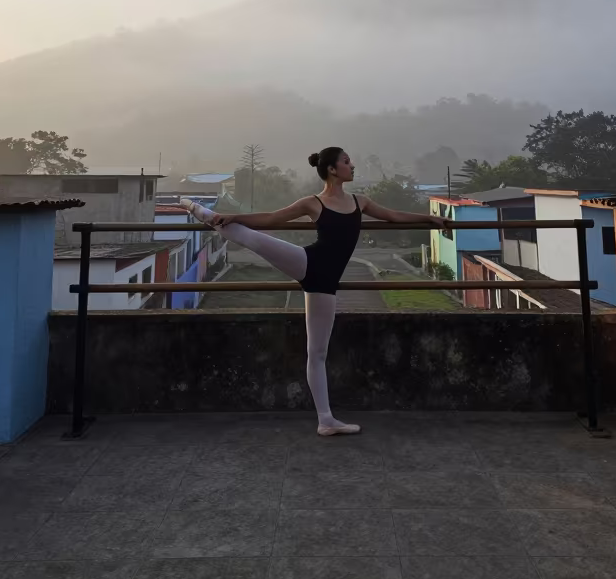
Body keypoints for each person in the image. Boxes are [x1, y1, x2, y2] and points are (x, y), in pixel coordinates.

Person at [185, 147, 451, 437]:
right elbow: (272, 218)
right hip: (307, 262)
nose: (352, 165)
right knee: (254, 240)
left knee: (318, 352)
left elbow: (393, 216)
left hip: (326, 283)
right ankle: (208, 215)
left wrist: (430, 219)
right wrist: (234, 216)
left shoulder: (360, 201)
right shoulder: (313, 203)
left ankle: (326, 421)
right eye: (347, 161)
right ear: (332, 169)